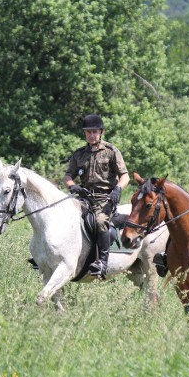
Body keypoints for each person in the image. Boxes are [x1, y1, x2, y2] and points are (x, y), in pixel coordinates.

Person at [63, 114, 130, 279]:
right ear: (84, 134)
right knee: (63, 216)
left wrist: (118, 190)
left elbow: (125, 176)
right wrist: (73, 186)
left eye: (95, 132)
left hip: (105, 198)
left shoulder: (111, 151)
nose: (91, 135)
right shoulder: (79, 154)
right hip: (83, 197)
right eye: (88, 132)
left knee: (100, 222)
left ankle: (102, 262)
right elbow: (67, 176)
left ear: (101, 132)